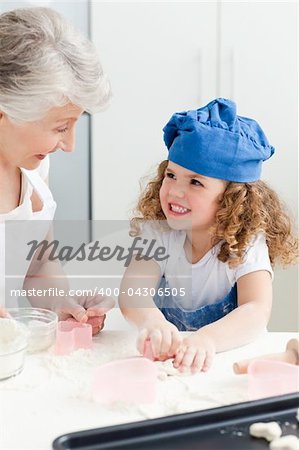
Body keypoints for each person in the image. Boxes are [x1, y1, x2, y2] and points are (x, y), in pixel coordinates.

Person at [119, 98, 298, 372]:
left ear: (232, 199)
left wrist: (207, 339)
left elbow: (256, 310)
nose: (175, 191)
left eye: (195, 182)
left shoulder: (247, 243)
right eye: (171, 175)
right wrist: (151, 322)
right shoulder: (157, 233)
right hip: (171, 362)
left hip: (226, 360)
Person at [0, 7, 114, 333]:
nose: (69, 145)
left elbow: (37, 267)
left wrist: (61, 304)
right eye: (61, 127)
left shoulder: (34, 170)